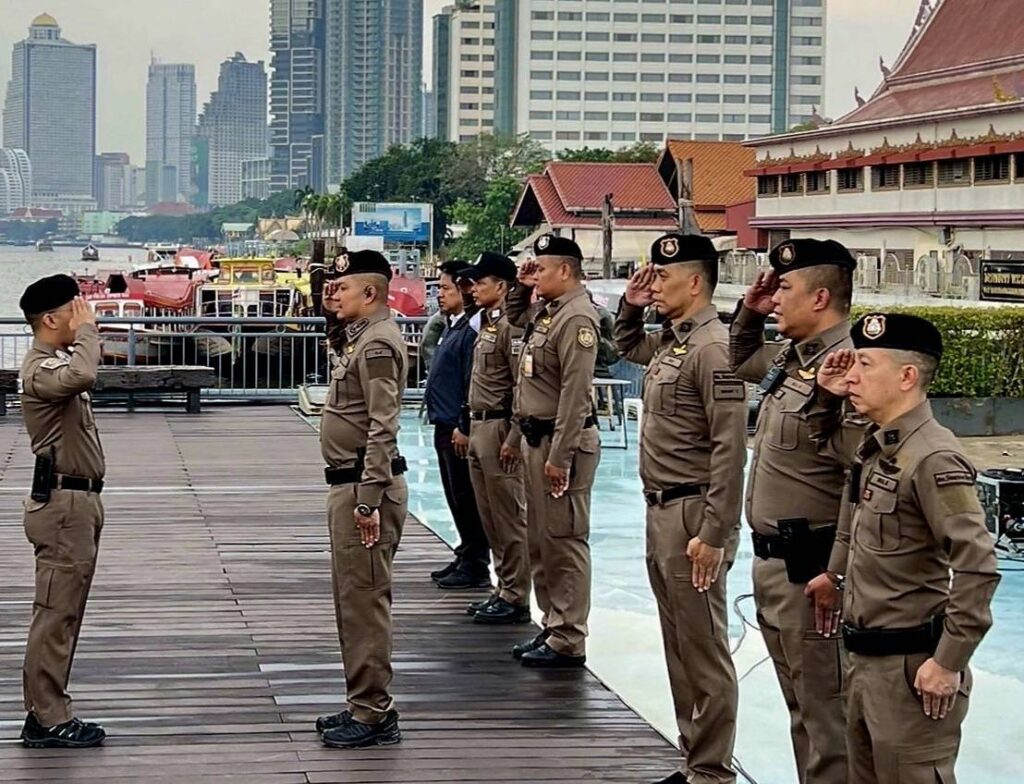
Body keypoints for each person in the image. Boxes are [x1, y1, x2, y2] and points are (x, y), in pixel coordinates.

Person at [804, 313, 999, 784]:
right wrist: (835, 576)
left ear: (907, 376)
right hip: (865, 662)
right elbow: (853, 521)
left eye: (866, 364)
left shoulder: (933, 458)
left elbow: (977, 566)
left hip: (910, 671)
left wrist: (948, 662)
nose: (852, 375)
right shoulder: (879, 446)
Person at [616, 235, 747, 784]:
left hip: (694, 512)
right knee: (679, 644)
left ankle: (712, 771)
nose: (654, 286)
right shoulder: (674, 343)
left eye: (663, 278)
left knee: (703, 646)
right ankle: (694, 757)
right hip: (663, 510)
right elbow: (626, 345)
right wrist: (630, 305)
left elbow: (730, 449)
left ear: (695, 283)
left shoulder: (713, 349)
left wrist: (715, 533)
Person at [731, 239, 862, 784]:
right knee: (801, 710)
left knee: (827, 718)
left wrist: (837, 571)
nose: (776, 297)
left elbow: (862, 481)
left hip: (814, 569)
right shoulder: (795, 357)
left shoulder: (852, 365)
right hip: (775, 565)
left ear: (821, 297)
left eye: (785, 287)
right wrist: (749, 313)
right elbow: (741, 361)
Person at [315, 250, 409, 749]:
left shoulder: (376, 344)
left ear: (370, 293)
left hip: (363, 487)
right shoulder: (360, 337)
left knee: (365, 603)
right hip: (349, 483)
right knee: (352, 601)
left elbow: (382, 425)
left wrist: (369, 499)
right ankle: (361, 701)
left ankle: (374, 712)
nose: (335, 294)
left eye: (344, 287)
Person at [17, 276, 106, 749]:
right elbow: (83, 376)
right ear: (51, 320)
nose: (85, 316)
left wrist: (83, 334)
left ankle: (49, 711)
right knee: (55, 614)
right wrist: (88, 333)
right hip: (62, 505)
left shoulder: (59, 363)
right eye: (76, 309)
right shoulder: (40, 369)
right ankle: (46, 717)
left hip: (78, 502)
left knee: (66, 612)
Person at [508, 234, 600, 668]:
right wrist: (521, 286)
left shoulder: (576, 318)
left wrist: (560, 457)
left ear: (565, 271)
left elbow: (576, 394)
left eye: (542, 268)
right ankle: (552, 624)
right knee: (541, 538)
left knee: (564, 539)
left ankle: (569, 634)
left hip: (561, 443)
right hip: (536, 438)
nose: (536, 273)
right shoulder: (549, 312)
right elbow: (514, 320)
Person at [458, 251, 532, 624]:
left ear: (501, 286)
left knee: (508, 518)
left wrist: (514, 436)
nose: (473, 289)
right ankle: (503, 587)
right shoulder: (487, 323)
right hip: (479, 425)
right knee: (489, 515)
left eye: (480, 282)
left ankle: (516, 595)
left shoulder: (509, 328)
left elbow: (521, 385)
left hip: (500, 426)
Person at [424, 261, 491, 590]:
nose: (440, 294)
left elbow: (470, 381)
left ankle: (476, 561)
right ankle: (466, 552)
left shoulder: (471, 330)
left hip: (457, 425)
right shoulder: (453, 325)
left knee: (466, 495)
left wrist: (463, 424)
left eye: (446, 288)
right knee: (454, 494)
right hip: (444, 421)